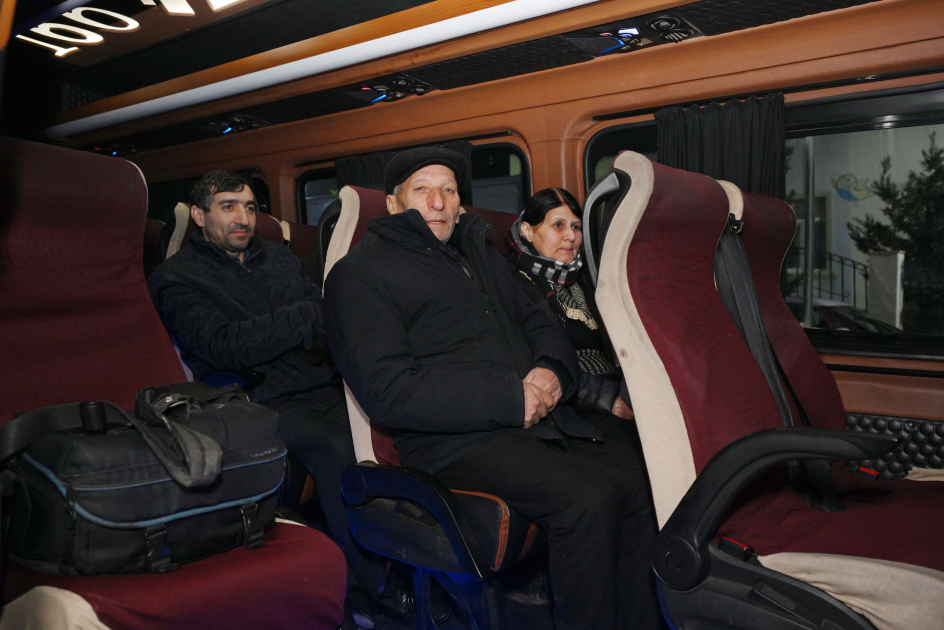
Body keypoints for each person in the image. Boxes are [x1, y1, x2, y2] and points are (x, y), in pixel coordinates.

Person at [323, 147, 665, 630]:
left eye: (448, 189)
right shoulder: (359, 274)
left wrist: (551, 371)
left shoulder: (481, 258)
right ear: (394, 204)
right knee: (587, 500)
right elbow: (387, 390)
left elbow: (543, 326)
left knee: (645, 480)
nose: (438, 201)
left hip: (537, 423)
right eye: (422, 189)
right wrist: (510, 397)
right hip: (453, 441)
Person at [147, 170, 385, 593]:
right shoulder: (175, 277)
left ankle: (407, 553)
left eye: (250, 207)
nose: (243, 218)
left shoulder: (277, 258)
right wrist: (300, 320)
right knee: (338, 448)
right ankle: (372, 587)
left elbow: (324, 316)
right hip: (259, 400)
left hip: (322, 381)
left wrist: (294, 326)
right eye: (228, 207)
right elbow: (224, 346)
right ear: (200, 216)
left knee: (389, 427)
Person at [507, 187, 637, 443]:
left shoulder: (586, 277)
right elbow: (535, 363)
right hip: (572, 406)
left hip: (617, 388)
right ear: (528, 231)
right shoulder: (513, 283)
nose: (571, 236)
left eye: (576, 227)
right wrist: (608, 398)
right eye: (558, 225)